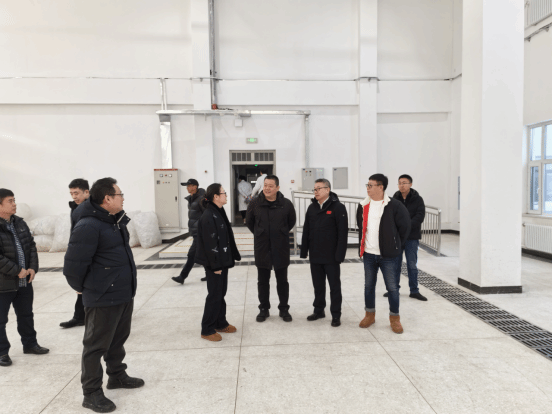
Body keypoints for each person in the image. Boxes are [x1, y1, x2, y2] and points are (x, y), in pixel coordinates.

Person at [64, 178, 143, 413]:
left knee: (117, 339)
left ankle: (117, 375)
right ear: (107, 198)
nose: (123, 198)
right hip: (102, 296)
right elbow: (73, 265)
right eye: (120, 194)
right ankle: (91, 393)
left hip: (122, 292)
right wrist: (84, 288)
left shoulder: (114, 220)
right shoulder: (88, 225)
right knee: (95, 346)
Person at [356, 174, 410, 334]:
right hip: (369, 254)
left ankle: (395, 318)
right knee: (368, 286)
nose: (367, 188)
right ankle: (369, 315)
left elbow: (405, 227)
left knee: (392, 288)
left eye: (370, 185)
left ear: (381, 187)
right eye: (367, 185)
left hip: (389, 256)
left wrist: (395, 245)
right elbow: (361, 226)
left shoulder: (394, 205)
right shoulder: (363, 205)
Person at [0, 189, 48, 367]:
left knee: (26, 315)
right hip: (3, 283)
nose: (14, 204)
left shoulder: (19, 222)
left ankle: (30, 344)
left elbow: (31, 246)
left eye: (14, 200)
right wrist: (16, 270)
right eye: (10, 201)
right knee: (1, 320)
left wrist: (32, 267)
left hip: (24, 281)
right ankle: (2, 352)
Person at [246, 175, 296, 323]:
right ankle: (264, 309)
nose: (267, 188)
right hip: (262, 247)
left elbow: (291, 221)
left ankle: (284, 309)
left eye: (270, 186)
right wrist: (260, 233)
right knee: (262, 281)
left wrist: (280, 232)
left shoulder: (286, 204)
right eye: (265, 185)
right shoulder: (254, 203)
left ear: (277, 188)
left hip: (281, 247)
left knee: (282, 281)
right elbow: (250, 223)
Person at [195, 183, 241, 342]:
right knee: (214, 295)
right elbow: (210, 244)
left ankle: (220, 323)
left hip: (222, 260)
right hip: (215, 263)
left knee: (220, 293)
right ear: (216, 196)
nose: (226, 195)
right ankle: (207, 329)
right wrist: (215, 266)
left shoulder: (218, 211)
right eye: (224, 193)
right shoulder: (209, 215)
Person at [300, 179, 348, 327]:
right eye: (314, 189)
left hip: (331, 256)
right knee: (318, 286)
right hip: (315, 254)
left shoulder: (338, 207)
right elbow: (306, 230)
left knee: (334, 287)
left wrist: (340, 255)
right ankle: (319, 310)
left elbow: (342, 234)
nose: (316, 191)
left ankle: (336, 315)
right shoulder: (312, 208)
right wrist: (304, 250)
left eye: (319, 188)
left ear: (328, 190)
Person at [388, 174, 427, 301]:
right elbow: (391, 215)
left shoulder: (418, 199)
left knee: (411, 265)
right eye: (399, 183)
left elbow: (420, 216)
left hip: (412, 237)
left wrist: (407, 226)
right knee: (395, 265)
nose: (401, 185)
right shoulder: (394, 198)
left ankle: (414, 291)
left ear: (410, 184)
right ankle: (394, 289)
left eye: (404, 183)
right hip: (398, 237)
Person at [60, 178, 90, 329]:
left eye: (76, 193)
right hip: (79, 249)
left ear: (87, 192)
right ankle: (79, 317)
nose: (74, 196)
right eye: (71, 193)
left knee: (86, 284)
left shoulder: (91, 207)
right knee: (81, 285)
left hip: (88, 251)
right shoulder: (76, 207)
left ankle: (82, 317)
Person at [172, 179, 207, 284]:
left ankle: (182, 277)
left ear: (195, 187)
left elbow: (206, 215)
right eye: (186, 186)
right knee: (203, 254)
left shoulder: (201, 199)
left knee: (192, 255)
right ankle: (209, 274)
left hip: (200, 232)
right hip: (195, 231)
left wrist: (203, 229)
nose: (187, 188)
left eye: (189, 186)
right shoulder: (192, 198)